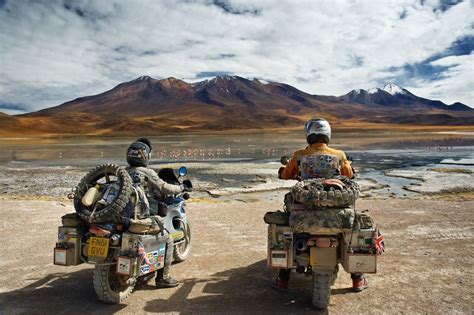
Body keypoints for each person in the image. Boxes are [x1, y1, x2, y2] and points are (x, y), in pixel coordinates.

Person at [276, 118, 368, 292]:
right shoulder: (339, 155)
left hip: (305, 206)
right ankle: (357, 278)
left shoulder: (299, 155)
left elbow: (286, 174)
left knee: (287, 225)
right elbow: (349, 174)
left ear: (308, 135)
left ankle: (283, 277)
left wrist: (284, 172)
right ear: (327, 135)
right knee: (352, 233)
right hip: (335, 207)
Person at [125, 137, 182, 288]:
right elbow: (164, 188)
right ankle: (163, 277)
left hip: (121, 217)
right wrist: (181, 188)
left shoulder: (121, 172)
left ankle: (145, 268)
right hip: (140, 218)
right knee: (167, 239)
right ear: (145, 156)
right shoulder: (147, 173)